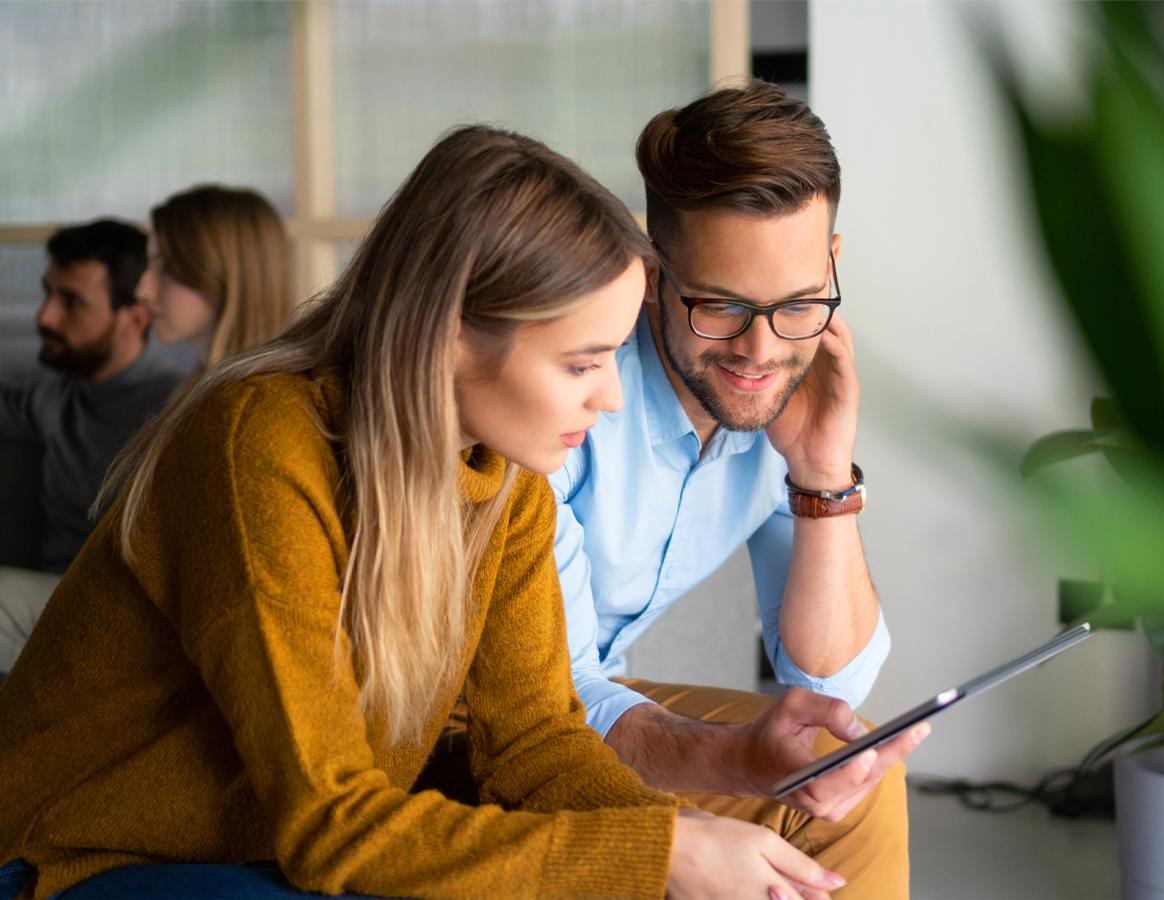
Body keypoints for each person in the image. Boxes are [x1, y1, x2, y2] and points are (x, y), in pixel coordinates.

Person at [0, 126, 848, 900]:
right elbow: (331, 824)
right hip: (75, 856)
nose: (615, 397)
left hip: (258, 849)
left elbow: (537, 744)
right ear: (448, 333)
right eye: (583, 362)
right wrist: (658, 857)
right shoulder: (258, 446)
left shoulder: (503, 480)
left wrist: (678, 840)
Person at [547, 81, 918, 897]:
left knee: (851, 777)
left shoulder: (795, 379)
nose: (759, 351)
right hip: (496, 705)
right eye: (720, 306)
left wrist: (822, 476)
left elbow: (829, 689)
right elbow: (545, 694)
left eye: (796, 303)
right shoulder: (569, 390)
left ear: (831, 263)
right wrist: (731, 765)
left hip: (585, 688)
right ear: (653, 273)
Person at [0, 219, 183, 574]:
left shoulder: (175, 408)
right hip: (49, 598)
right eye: (48, 293)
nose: (45, 317)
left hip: (119, 609)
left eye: (71, 301)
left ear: (136, 318)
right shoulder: (51, 396)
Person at [135, 184, 293, 369]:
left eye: (167, 269)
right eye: (149, 266)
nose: (143, 291)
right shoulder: (202, 383)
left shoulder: (261, 395)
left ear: (228, 273)